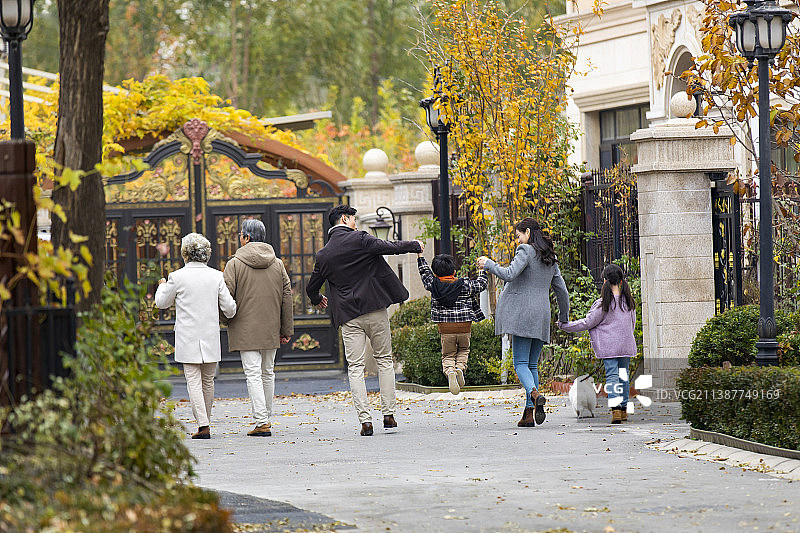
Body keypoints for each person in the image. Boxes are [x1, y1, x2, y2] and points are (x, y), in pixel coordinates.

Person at [306, 204, 423, 436]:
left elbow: (311, 287)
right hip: (375, 309)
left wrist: (318, 298)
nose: (356, 223)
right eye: (353, 219)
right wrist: (414, 245)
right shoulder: (361, 239)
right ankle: (389, 414)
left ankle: (365, 421)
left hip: (348, 316)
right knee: (384, 361)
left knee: (356, 368)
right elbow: (389, 247)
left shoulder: (324, 254)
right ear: (344, 219)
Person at [477, 218, 569, 428]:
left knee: (520, 363)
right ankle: (529, 414)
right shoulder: (550, 257)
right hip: (542, 314)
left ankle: (535, 395)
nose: (518, 239)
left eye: (519, 235)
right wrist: (563, 317)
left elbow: (509, 274)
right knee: (532, 364)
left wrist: (489, 264)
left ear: (527, 232)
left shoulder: (525, 250)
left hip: (523, 314)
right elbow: (561, 290)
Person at [155, 233, 237, 439]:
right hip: (210, 334)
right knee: (208, 380)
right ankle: (205, 422)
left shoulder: (177, 276)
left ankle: (203, 425)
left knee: (193, 380)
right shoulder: (216, 276)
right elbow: (230, 308)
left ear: (184, 253)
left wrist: (162, 285)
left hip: (187, 336)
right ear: (206, 254)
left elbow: (161, 303)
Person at [223, 218, 294, 437]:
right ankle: (266, 417)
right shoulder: (277, 263)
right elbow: (287, 296)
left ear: (246, 237)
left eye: (240, 235)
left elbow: (225, 296)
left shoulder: (234, 264)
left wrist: (225, 320)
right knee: (268, 372)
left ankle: (262, 421)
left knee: (253, 374)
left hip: (244, 327)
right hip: (271, 326)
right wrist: (286, 328)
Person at [558, 264, 637, 424]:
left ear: (605, 282)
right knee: (624, 376)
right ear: (621, 281)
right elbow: (632, 324)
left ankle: (615, 410)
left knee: (613, 376)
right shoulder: (628, 302)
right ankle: (623, 410)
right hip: (626, 345)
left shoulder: (603, 304)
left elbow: (588, 322)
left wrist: (564, 325)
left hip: (609, 347)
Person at [418, 253, 488, 395]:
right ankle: (460, 369)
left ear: (435, 273)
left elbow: (425, 273)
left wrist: (420, 256)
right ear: (454, 272)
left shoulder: (433, 284)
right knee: (464, 350)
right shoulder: (465, 284)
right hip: (464, 326)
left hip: (445, 328)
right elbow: (481, 284)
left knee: (448, 355)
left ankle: (450, 371)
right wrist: (482, 269)